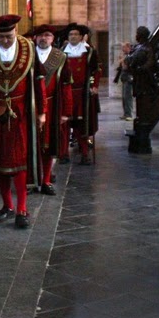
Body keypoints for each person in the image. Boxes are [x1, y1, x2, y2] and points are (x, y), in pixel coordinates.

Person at [0, 14, 45, 228]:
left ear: (16, 31)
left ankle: (22, 207)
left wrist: (42, 111)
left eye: (9, 36)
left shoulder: (29, 49)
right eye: (2, 37)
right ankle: (7, 204)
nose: (6, 40)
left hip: (21, 113)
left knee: (19, 159)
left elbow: (38, 82)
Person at [31, 25, 71, 195]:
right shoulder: (28, 56)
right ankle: (31, 180)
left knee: (49, 145)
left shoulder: (60, 57)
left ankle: (46, 180)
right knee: (31, 145)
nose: (43, 38)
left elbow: (66, 85)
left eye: (47, 35)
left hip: (52, 106)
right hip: (30, 106)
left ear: (53, 39)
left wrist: (65, 111)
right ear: (35, 38)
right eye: (40, 35)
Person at [61, 23, 101, 165]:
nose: (73, 36)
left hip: (83, 94)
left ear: (81, 36)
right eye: (71, 34)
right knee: (64, 124)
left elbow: (95, 71)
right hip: (65, 93)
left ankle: (85, 154)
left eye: (76, 34)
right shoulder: (61, 52)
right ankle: (64, 154)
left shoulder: (90, 52)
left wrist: (93, 85)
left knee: (82, 125)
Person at [115, 41, 134, 120]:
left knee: (128, 97)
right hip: (124, 78)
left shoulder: (130, 56)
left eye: (123, 47)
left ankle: (129, 114)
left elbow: (125, 67)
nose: (122, 49)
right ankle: (125, 114)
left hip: (128, 78)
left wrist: (122, 60)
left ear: (128, 47)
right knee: (124, 97)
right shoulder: (126, 56)